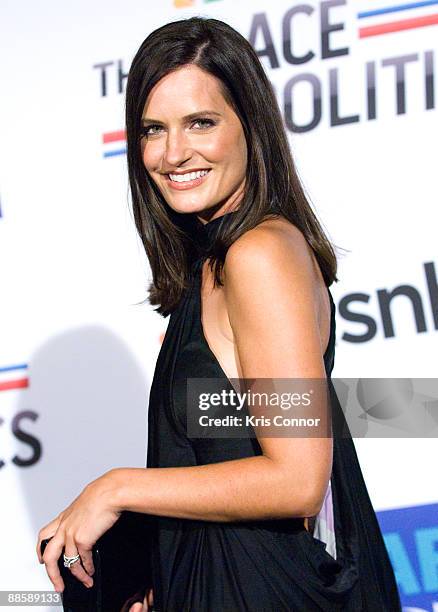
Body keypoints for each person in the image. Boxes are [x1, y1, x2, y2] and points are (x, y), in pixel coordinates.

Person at [36, 16, 402, 612]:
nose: (174, 153)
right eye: (154, 129)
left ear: (249, 129)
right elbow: (230, 453)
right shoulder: (213, 261)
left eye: (200, 123)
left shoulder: (259, 254)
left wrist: (117, 489)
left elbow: (297, 478)